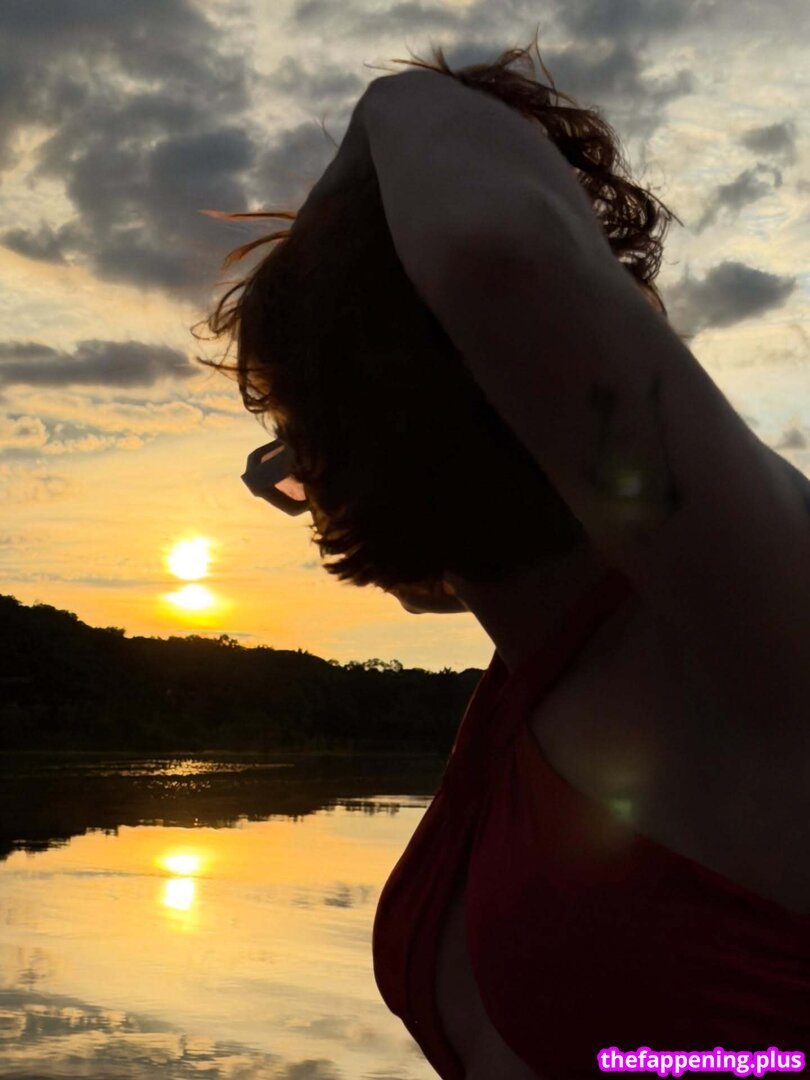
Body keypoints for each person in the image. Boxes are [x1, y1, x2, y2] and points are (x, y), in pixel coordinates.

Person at [195, 32, 809, 1078]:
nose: (305, 490)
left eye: (298, 445)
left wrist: (394, 100)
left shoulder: (750, 615)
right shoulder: (531, 682)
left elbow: (494, 248)